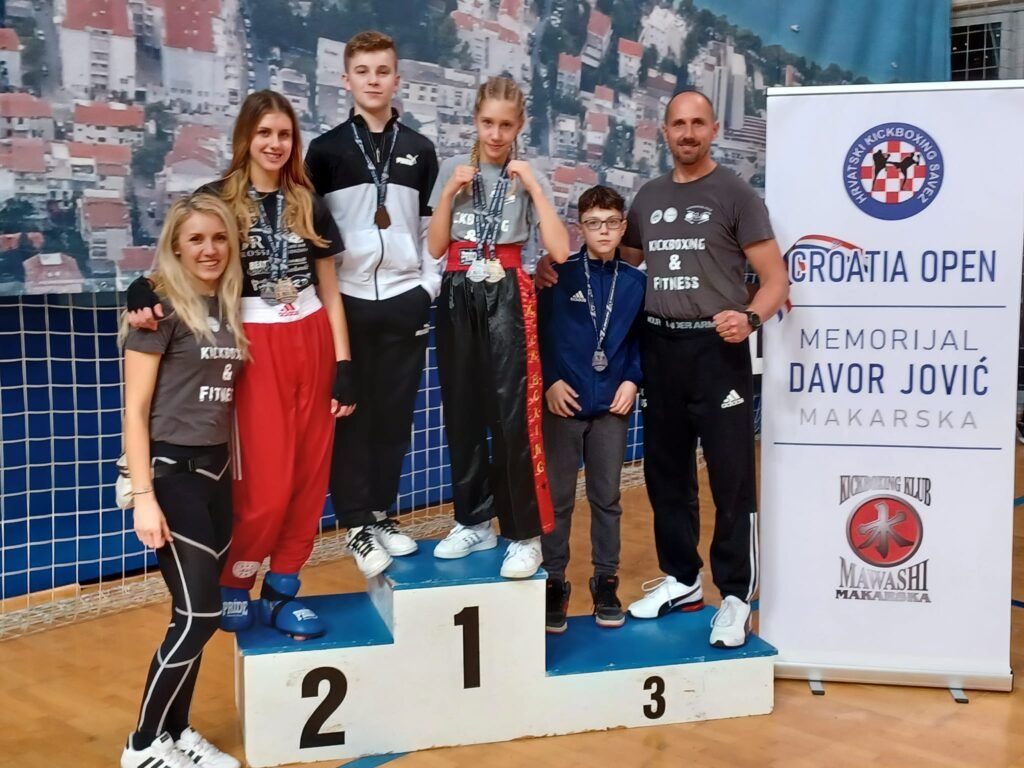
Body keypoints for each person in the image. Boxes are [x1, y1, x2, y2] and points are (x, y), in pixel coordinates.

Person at [539, 89, 788, 647]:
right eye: (679, 123)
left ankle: (735, 595)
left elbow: (776, 279)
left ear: (714, 129)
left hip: (717, 350)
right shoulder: (648, 198)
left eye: (698, 123)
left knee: (730, 478)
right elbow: (609, 266)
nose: (688, 133)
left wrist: (751, 317)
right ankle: (682, 579)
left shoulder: (736, 194)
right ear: (665, 131)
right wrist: (552, 268)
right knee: (666, 476)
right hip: (660, 348)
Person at [127, 91, 355, 640]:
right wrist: (142, 285)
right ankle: (236, 583)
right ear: (246, 138)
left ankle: (283, 588)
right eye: (265, 133)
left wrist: (344, 361)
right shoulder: (217, 197)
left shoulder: (307, 199)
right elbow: (180, 253)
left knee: (309, 477)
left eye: (284, 134)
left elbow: (329, 289)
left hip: (311, 338)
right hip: (252, 343)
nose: (275, 144)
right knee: (264, 483)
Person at [305, 30, 440, 579]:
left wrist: (426, 288)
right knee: (351, 417)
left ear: (397, 79)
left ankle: (382, 513)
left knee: (395, 418)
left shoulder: (421, 149)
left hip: (406, 300)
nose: (373, 80)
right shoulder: (326, 151)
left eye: (382, 71)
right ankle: (356, 523)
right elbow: (312, 233)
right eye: (362, 71)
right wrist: (326, 296)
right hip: (350, 301)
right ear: (346, 80)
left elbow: (432, 230)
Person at [119, 193, 246, 768]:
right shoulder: (156, 312)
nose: (209, 249)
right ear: (175, 245)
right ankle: (142, 745)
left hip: (216, 477)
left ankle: (177, 733)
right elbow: (134, 410)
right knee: (200, 616)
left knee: (188, 616)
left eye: (218, 238)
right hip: (171, 478)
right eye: (195, 239)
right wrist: (144, 497)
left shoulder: (228, 302)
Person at [426, 76, 570, 579]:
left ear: (520, 126)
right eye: (487, 123)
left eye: (505, 125)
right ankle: (473, 521)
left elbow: (560, 251)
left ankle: (525, 534)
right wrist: (449, 192)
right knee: (461, 410)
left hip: (507, 290)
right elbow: (435, 247)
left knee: (512, 416)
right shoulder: (454, 168)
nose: (495, 134)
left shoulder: (526, 175)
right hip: (457, 287)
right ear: (475, 120)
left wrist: (534, 187)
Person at [537, 185, 645, 632]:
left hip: (611, 409)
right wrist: (550, 381)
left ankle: (606, 580)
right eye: (593, 223)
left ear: (623, 227)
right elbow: (538, 333)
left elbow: (640, 342)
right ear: (579, 228)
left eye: (612, 223)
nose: (603, 231)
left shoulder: (636, 283)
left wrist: (632, 380)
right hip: (564, 403)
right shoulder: (557, 276)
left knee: (607, 498)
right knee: (558, 499)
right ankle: (553, 581)